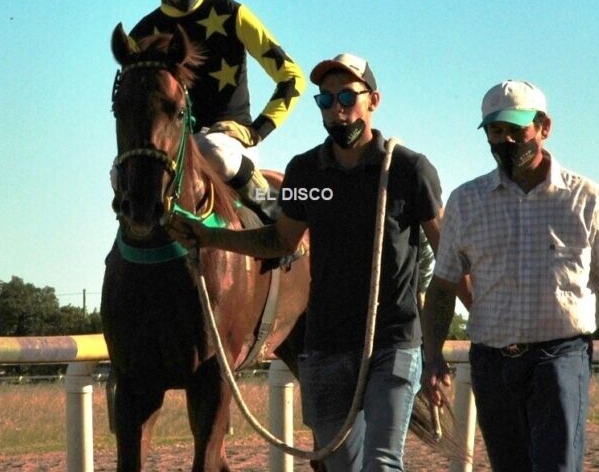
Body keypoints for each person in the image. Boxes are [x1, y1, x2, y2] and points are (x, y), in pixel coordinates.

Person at [167, 53, 444, 471]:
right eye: (326, 100)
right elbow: (281, 239)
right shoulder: (306, 175)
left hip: (392, 341)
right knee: (339, 464)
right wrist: (210, 237)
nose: (338, 109)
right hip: (326, 345)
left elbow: (449, 258)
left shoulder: (408, 170)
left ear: (373, 100)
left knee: (382, 462)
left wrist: (439, 347)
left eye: (348, 96)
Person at [422, 80, 599, 471]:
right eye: (496, 131)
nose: (506, 140)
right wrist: (433, 359)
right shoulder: (466, 201)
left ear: (544, 127)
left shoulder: (585, 199)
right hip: (492, 363)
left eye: (517, 129)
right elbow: (442, 288)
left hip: (559, 358)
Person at [124, 0, 306, 219]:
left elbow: (291, 77)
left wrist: (254, 131)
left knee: (211, 150)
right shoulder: (141, 33)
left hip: (228, 145)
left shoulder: (232, 13)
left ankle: (273, 210)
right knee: (119, 174)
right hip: (167, 149)